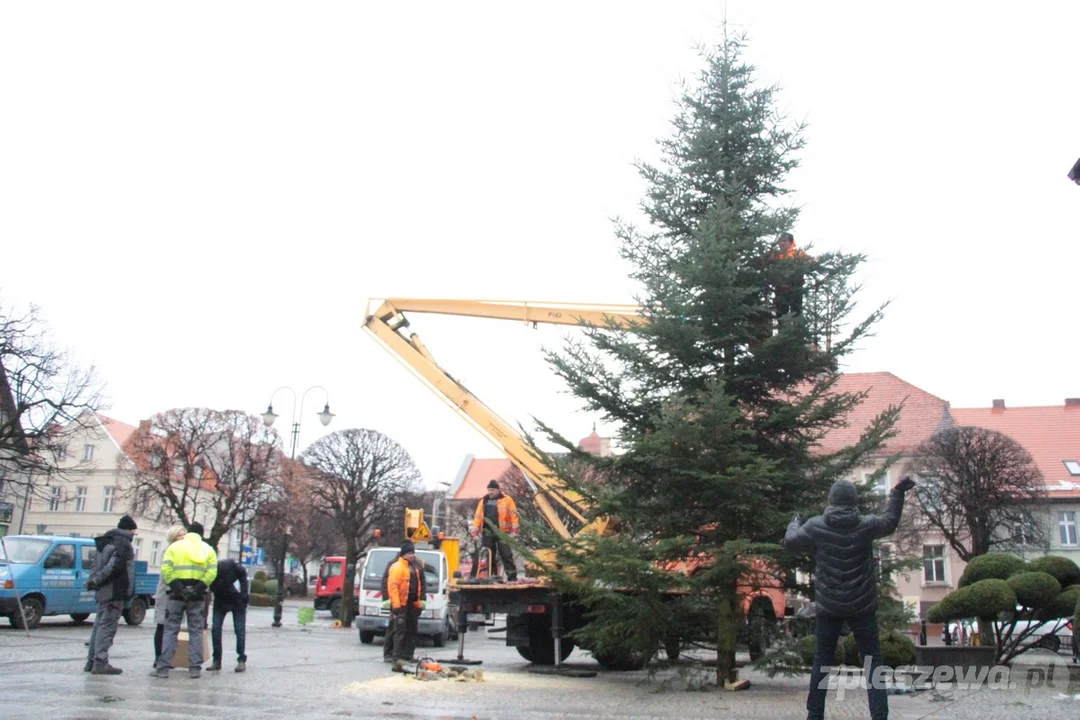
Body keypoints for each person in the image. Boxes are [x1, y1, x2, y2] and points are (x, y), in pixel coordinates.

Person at [784, 476, 915, 720]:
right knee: (873, 661)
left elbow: (790, 542)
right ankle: (879, 716)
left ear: (831, 500)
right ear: (854, 501)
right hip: (862, 604)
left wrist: (794, 522)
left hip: (828, 605)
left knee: (822, 659)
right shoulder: (866, 524)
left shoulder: (815, 526)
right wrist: (897, 492)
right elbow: (890, 521)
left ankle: (815, 715)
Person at [152, 521, 218, 679]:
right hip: (197, 595)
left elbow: (166, 569)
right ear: (201, 534)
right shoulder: (208, 549)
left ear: (188, 532)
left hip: (175, 595)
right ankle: (194, 667)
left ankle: (163, 667)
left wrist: (177, 588)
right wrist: (198, 588)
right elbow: (212, 572)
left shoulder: (174, 548)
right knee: (196, 630)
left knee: (170, 630)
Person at [83, 514, 138, 675]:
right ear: (128, 529)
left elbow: (94, 565)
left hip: (102, 591)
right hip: (115, 591)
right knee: (107, 627)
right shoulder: (123, 544)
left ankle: (91, 661)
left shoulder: (104, 541)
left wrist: (94, 581)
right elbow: (115, 567)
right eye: (133, 531)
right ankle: (100, 662)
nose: (134, 534)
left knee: (98, 625)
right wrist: (99, 580)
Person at [380, 547, 429, 663]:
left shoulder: (417, 565)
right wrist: (390, 600)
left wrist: (420, 601)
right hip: (400, 603)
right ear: (403, 554)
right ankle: (392, 655)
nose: (412, 555)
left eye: (413, 553)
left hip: (412, 603)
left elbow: (421, 584)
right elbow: (390, 585)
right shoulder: (395, 565)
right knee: (397, 630)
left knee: (411, 630)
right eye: (409, 553)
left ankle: (407, 654)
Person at [471, 479, 519, 582]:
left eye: (492, 490)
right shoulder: (483, 501)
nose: (490, 492)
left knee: (506, 555)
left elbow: (513, 515)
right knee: (489, 556)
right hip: (487, 532)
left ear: (498, 490)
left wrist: (514, 531)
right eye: (488, 490)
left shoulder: (507, 500)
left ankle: (512, 577)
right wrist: (475, 532)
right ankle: (492, 577)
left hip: (502, 532)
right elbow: (478, 518)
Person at [152, 525, 187, 666]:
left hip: (177, 593)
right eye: (179, 535)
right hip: (166, 592)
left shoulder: (185, 552)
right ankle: (159, 658)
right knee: (162, 625)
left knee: (173, 627)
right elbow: (167, 573)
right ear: (173, 537)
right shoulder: (168, 550)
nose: (183, 537)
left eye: (184, 534)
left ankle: (168, 657)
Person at [208, 555, 249, 672]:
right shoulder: (214, 570)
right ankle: (238, 660)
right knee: (235, 630)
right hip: (225, 600)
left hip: (234, 600)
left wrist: (244, 596)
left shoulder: (227, 568)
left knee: (226, 629)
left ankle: (220, 661)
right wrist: (244, 595)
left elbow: (243, 581)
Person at [772, 232, 808, 319]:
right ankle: (782, 332)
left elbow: (812, 263)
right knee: (780, 316)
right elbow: (762, 261)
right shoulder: (775, 255)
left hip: (796, 289)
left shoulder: (799, 254)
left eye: (784, 241)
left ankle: (796, 332)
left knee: (796, 314)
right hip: (780, 290)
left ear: (791, 242)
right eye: (780, 241)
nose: (781, 243)